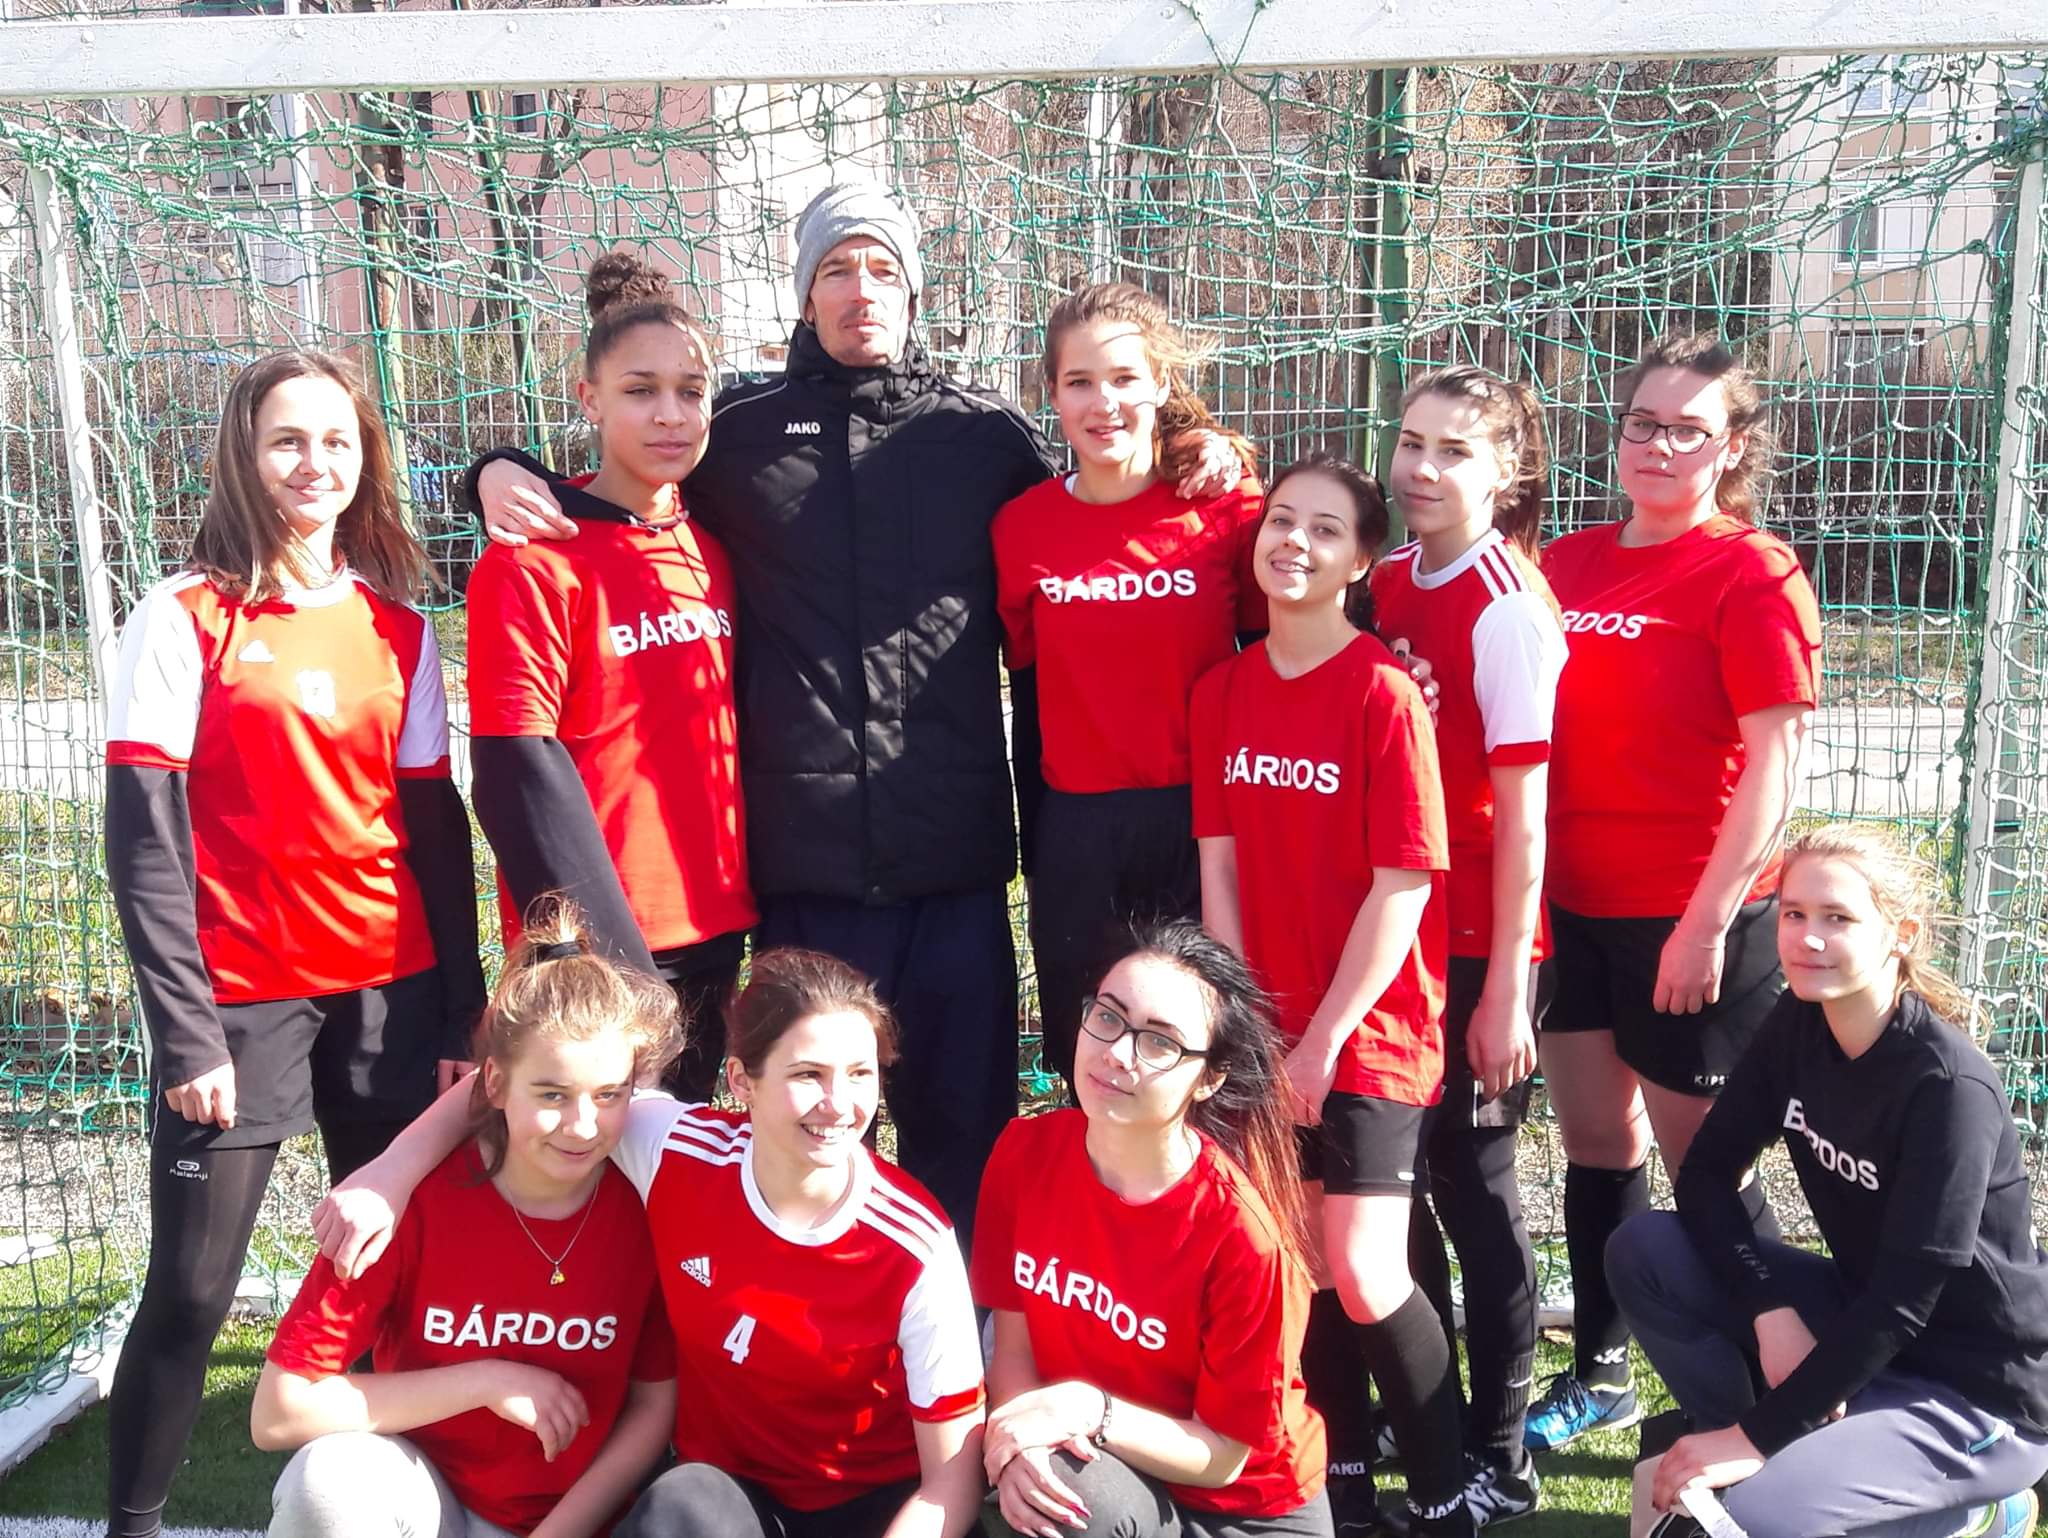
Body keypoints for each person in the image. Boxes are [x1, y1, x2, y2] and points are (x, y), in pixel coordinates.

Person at [465, 185, 1240, 1241]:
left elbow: (1103, 488)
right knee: (813, 1148)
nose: (859, 288)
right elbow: (621, 488)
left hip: (957, 875)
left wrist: (1202, 442)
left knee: (966, 1146)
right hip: (807, 881)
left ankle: (962, 1329)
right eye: (835, 268)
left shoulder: (984, 437)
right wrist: (493, 472)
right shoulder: (735, 436)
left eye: (881, 267)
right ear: (804, 293)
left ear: (913, 290)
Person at [101, 349, 484, 1538]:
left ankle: (388, 1503)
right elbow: (143, 841)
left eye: (336, 440)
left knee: (390, 1267)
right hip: (238, 1006)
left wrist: (462, 1015)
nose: (313, 463)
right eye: (287, 439)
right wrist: (185, 1032)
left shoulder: (400, 630)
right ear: (244, 452)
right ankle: (132, 1523)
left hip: (390, 997)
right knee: (193, 1286)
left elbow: (435, 834)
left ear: (365, 457)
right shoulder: (183, 616)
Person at [314, 946, 989, 1538]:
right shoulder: (672, 1150)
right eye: (807, 1075)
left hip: (874, 1506)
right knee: (680, 1506)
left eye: (861, 1073)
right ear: (741, 1082)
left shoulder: (915, 1243)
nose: (839, 1103)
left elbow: (951, 1482)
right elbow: (522, 1080)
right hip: (730, 1496)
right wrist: (391, 1172)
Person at [1522, 333, 1821, 1453]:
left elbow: (1776, 766)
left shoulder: (1752, 571)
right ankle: (1600, 1373)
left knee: (1706, 1168)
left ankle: (1778, 1391)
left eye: (1686, 429)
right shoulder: (1568, 563)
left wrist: (1704, 923)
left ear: (1730, 446)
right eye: (1641, 423)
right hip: (1570, 909)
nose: (1656, 445)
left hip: (1689, 919)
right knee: (1599, 1143)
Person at [1607, 824, 2048, 1538]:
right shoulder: (1798, 1022)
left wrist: (1757, 1438)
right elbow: (1707, 1174)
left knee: (1760, 1517)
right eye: (1794, 913)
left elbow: (1906, 1300)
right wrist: (1769, 1308)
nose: (1808, 937)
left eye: (1838, 918)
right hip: (1863, 1324)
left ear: (1900, 934)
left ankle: (1983, 1513)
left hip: (1975, 1388)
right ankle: (1747, 1445)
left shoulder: (1948, 1086)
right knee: (1647, 1250)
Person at [1190, 455, 1468, 1537]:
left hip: (1369, 1031)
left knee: (1361, 1267)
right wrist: (1249, 1031)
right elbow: (1219, 871)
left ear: (1360, 561)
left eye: (1323, 529)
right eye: (1279, 521)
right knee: (1297, 1263)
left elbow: (1404, 886)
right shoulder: (1220, 692)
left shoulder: (1382, 693)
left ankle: (1444, 1498)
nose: (1292, 543)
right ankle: (1340, 1488)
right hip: (1264, 1030)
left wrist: (1319, 1042)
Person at [256, 901, 679, 1538]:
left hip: (579, 1522)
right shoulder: (407, 1204)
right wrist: (486, 1381)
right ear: (494, 1084)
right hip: (435, 1506)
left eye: (608, 1095)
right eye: (552, 1094)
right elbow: (279, 1411)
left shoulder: (650, 1200)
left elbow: (654, 1405)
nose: (583, 1126)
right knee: (328, 1484)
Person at [465, 252, 753, 1098]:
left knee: (680, 1159)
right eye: (639, 390)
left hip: (716, 925)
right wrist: (604, 952)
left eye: (691, 391)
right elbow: (513, 772)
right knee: (586, 1162)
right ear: (588, 399)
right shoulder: (532, 562)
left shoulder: (714, 543)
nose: (669, 414)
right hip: (599, 947)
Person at [1370, 366, 1567, 1527]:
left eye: (1454, 450)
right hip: (1397, 936)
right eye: (1411, 442)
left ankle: (1501, 1452)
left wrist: (1504, 992)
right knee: (1396, 1190)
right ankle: (1426, 1414)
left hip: (1481, 950)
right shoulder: (1388, 578)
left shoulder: (1506, 606)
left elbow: (1523, 819)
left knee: (1477, 1188)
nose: (1422, 468)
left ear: (1507, 473)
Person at [974, 920, 1333, 1538]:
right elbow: (1014, 1351)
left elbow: (1224, 1456)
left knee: (1074, 1493)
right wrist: (1021, 1445)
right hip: (1107, 1468)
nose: (1118, 1052)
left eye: (1160, 1042)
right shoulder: (1023, 1153)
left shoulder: (1244, 1236)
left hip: (1244, 1510)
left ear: (1210, 1078)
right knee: (1054, 1493)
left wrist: (1092, 1409)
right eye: (1108, 1016)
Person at [992, 283, 1264, 1089]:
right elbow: (1024, 679)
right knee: (1093, 1056)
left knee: (1200, 1055)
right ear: (1052, 393)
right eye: (1080, 381)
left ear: (1160, 384)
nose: (1102, 402)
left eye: (1123, 378)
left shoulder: (1225, 505)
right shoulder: (1021, 527)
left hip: (1203, 822)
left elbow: (1281, 649)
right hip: (1078, 829)